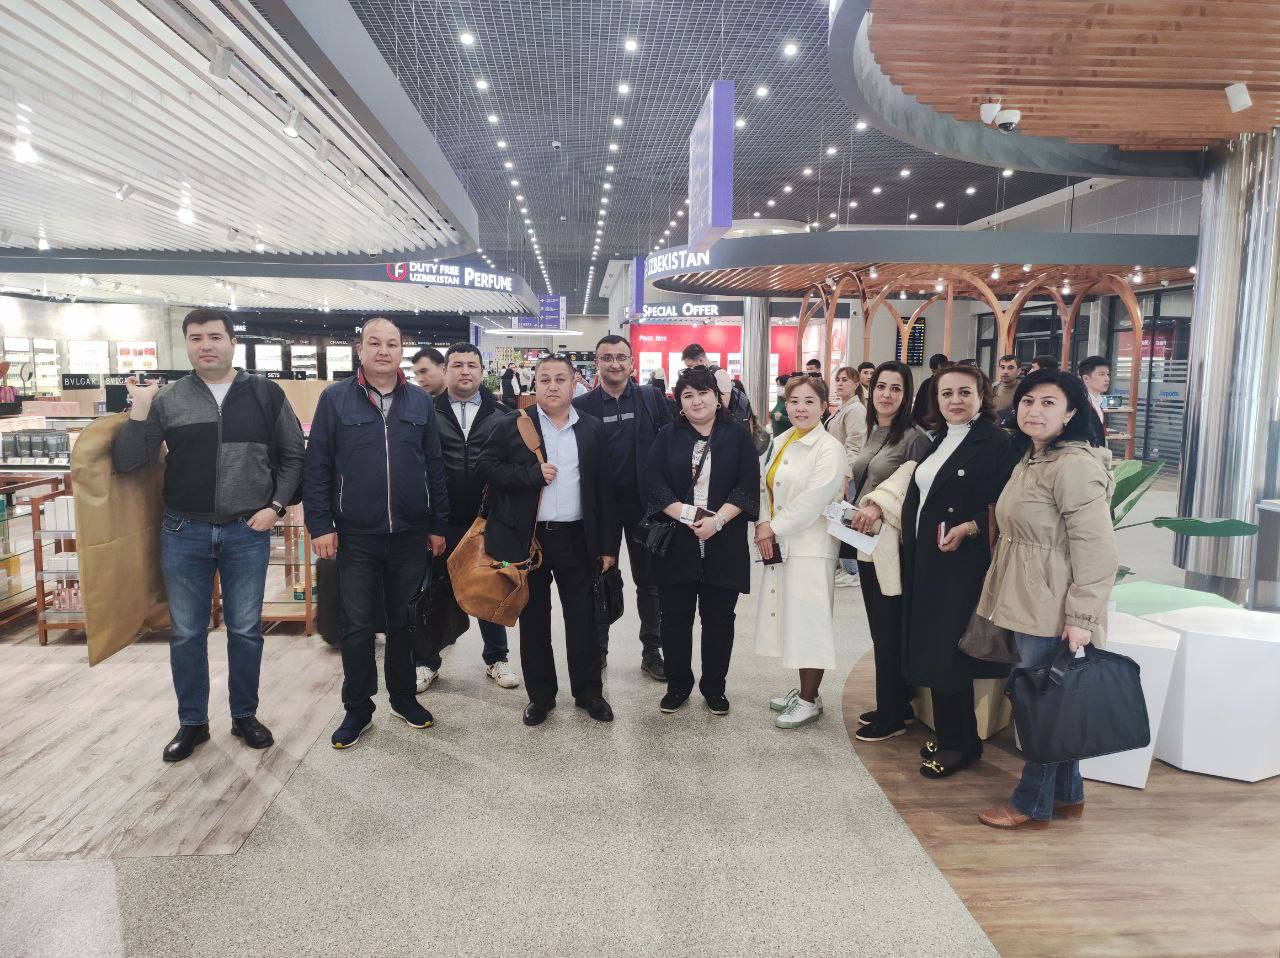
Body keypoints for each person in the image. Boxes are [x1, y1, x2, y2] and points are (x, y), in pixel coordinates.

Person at [113, 308, 305, 763]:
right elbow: (128, 461)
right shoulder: (170, 399)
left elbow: (294, 455)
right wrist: (140, 407)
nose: (206, 345)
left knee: (245, 630)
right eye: (196, 338)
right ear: (187, 345)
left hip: (246, 529)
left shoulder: (265, 393)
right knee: (186, 632)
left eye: (215, 336)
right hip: (184, 530)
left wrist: (275, 507)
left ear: (232, 342)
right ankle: (192, 722)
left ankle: (244, 715)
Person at [974, 369, 1117, 829]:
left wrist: (1081, 617)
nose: (1034, 410)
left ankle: (1031, 802)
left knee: (1041, 707)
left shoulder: (1073, 465)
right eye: (1028, 400)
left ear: (1071, 413)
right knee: (1052, 701)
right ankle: (1068, 795)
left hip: (1052, 606)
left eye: (1048, 402)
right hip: (1029, 598)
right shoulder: (1034, 456)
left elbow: (1096, 547)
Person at [304, 318, 450, 749]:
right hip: (356, 534)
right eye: (375, 343)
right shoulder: (335, 400)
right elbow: (318, 466)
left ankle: (404, 698)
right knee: (357, 625)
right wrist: (320, 524)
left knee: (404, 621)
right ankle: (357, 708)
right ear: (360, 350)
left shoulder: (420, 402)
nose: (383, 351)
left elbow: (434, 466)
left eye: (392, 344)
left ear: (401, 350)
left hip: (409, 533)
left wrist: (438, 524)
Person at [477, 355, 617, 727]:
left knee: (583, 620)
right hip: (528, 541)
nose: (552, 386)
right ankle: (540, 698)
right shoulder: (512, 425)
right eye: (544, 379)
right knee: (533, 620)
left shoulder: (591, 429)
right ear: (534, 385)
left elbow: (605, 491)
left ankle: (589, 693)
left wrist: (608, 546)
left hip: (577, 538)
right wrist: (530, 474)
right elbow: (486, 467)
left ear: (574, 384)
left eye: (560, 379)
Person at [901, 366, 1017, 779]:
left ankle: (959, 745)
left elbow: (1008, 505)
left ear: (982, 395)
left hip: (961, 564)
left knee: (948, 652)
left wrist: (969, 527)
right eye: (946, 393)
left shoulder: (995, 441)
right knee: (935, 648)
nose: (955, 400)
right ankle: (958, 734)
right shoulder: (941, 437)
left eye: (964, 392)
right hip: (928, 558)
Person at [645, 367, 759, 715]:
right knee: (674, 618)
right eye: (688, 395)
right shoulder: (667, 435)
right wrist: (687, 515)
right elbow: (653, 482)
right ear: (679, 402)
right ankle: (678, 684)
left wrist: (717, 521)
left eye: (703, 393)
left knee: (719, 619)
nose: (696, 401)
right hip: (677, 543)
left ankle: (714, 687)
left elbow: (747, 486)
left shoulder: (737, 435)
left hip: (724, 542)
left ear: (717, 397)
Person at [416, 342, 519, 692]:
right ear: (445, 371)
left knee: (490, 587)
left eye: (472, 365)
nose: (465, 371)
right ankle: (427, 661)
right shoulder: (427, 411)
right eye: (457, 364)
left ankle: (497, 657)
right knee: (434, 590)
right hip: (440, 520)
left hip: (487, 519)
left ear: (482, 372)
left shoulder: (503, 414)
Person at [573, 334, 673, 679]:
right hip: (601, 509)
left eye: (620, 357)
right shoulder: (582, 406)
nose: (614, 364)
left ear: (632, 363)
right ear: (596, 363)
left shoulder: (651, 398)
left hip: (646, 507)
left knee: (650, 582)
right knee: (599, 577)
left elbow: (671, 442)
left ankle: (652, 651)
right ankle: (598, 649)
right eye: (606, 358)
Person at [848, 360, 933, 742]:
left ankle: (892, 715)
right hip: (867, 543)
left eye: (896, 388)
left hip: (892, 548)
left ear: (907, 395)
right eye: (881, 386)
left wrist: (880, 509)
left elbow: (915, 493)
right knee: (881, 629)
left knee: (888, 631)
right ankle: (896, 704)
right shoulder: (873, 429)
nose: (886, 394)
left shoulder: (914, 438)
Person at [755, 375, 847, 728]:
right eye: (794, 401)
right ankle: (809, 692)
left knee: (810, 623)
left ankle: (809, 701)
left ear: (824, 407)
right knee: (794, 619)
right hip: (787, 542)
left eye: (809, 401)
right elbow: (766, 488)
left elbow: (814, 499)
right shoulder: (782, 440)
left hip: (812, 546)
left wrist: (772, 527)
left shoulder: (829, 448)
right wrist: (766, 523)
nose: (800, 408)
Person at [825, 367, 867, 588]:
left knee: (846, 520)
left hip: (847, 474)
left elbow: (855, 447)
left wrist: (846, 475)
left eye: (845, 380)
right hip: (837, 471)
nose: (840, 383)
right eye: (838, 379)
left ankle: (852, 570)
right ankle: (845, 566)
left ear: (856, 384)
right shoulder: (844, 407)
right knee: (838, 518)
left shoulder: (855, 410)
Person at [1078, 355, 1111, 447]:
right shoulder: (1078, 403)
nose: (1107, 379)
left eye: (1108, 374)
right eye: (1101, 374)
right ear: (1086, 378)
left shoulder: (1098, 401)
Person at [912, 353, 949, 429]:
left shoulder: (950, 384)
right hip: (925, 425)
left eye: (941, 371)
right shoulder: (926, 384)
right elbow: (918, 407)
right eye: (934, 372)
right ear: (932, 370)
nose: (937, 375)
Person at [992, 354, 1020, 419]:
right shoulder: (994, 387)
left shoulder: (1023, 389)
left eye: (1010, 368)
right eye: (1002, 367)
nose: (1005, 372)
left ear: (1018, 371)